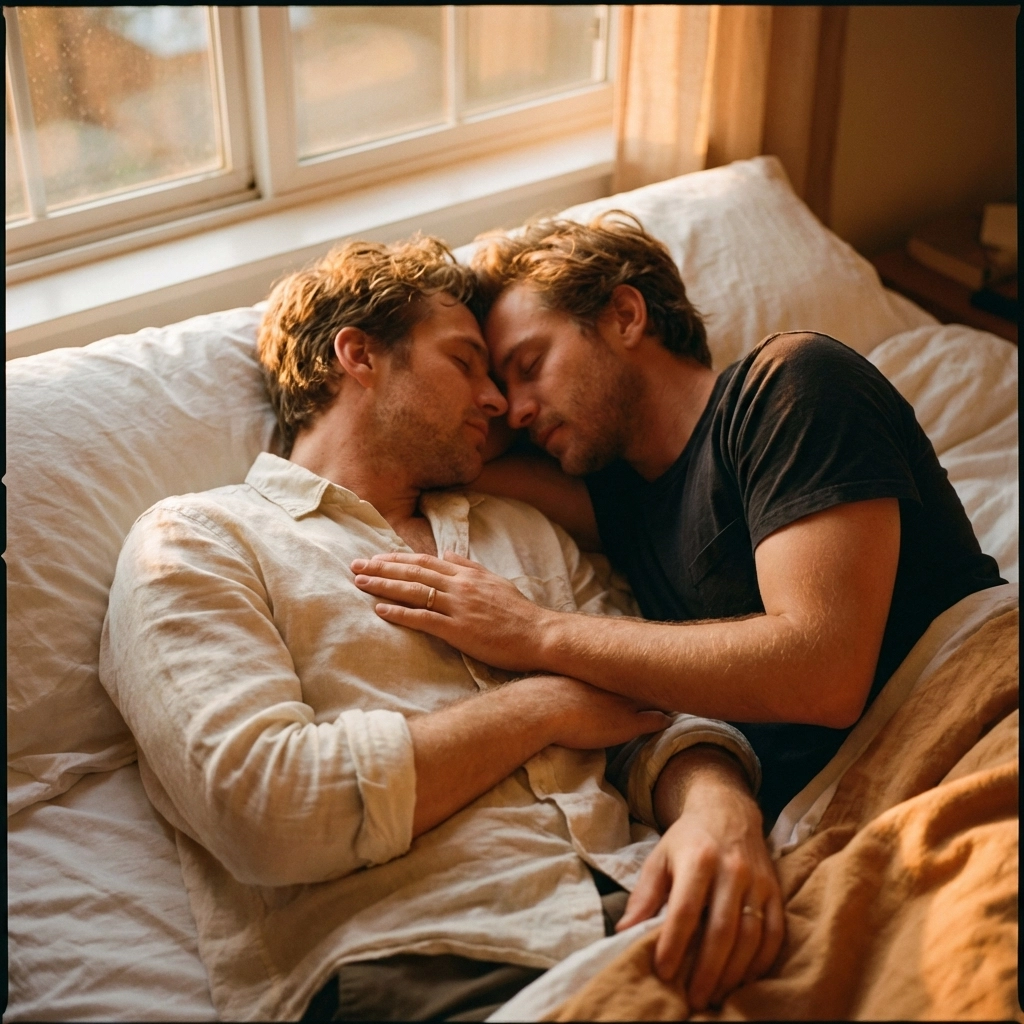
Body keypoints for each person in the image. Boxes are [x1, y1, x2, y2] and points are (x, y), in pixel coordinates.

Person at [99, 236, 784, 1023]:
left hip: (656, 905)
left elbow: (652, 707)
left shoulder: (526, 531)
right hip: (431, 963)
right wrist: (545, 708)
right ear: (356, 354)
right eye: (466, 362)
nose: (498, 403)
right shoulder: (197, 541)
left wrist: (717, 811)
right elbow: (268, 806)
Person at [351, 213, 1006, 838]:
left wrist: (536, 632)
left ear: (625, 315)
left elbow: (824, 672)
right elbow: (435, 458)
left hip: (971, 709)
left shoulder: (788, 387)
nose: (515, 410)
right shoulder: (623, 504)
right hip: (845, 810)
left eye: (530, 366)